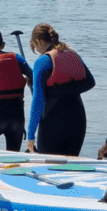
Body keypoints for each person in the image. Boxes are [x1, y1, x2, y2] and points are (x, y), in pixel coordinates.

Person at [26, 23, 95, 155]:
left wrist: (30, 134)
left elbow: (38, 101)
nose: (35, 48)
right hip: (77, 119)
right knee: (70, 167)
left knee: (49, 166)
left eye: (34, 45)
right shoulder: (73, 54)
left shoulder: (42, 62)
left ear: (39, 41)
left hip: (53, 121)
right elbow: (90, 82)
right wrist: (64, 90)